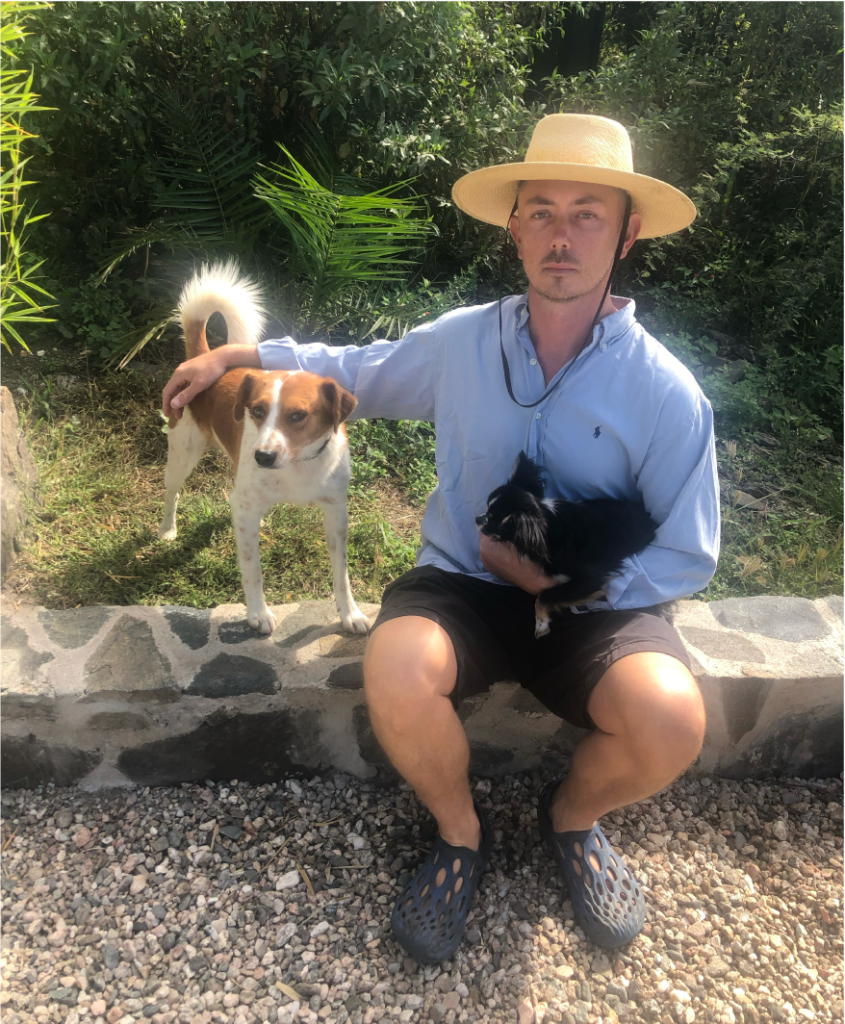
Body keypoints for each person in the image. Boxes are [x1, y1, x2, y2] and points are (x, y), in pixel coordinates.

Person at [162, 114, 719, 963]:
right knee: (393, 666)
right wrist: (238, 352)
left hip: (594, 610)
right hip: (462, 581)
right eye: (540, 211)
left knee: (672, 717)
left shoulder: (665, 392)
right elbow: (353, 370)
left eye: (586, 214)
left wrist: (554, 588)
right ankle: (460, 835)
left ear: (627, 232)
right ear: (513, 225)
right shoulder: (463, 342)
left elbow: (687, 551)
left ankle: (572, 818)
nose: (560, 236)